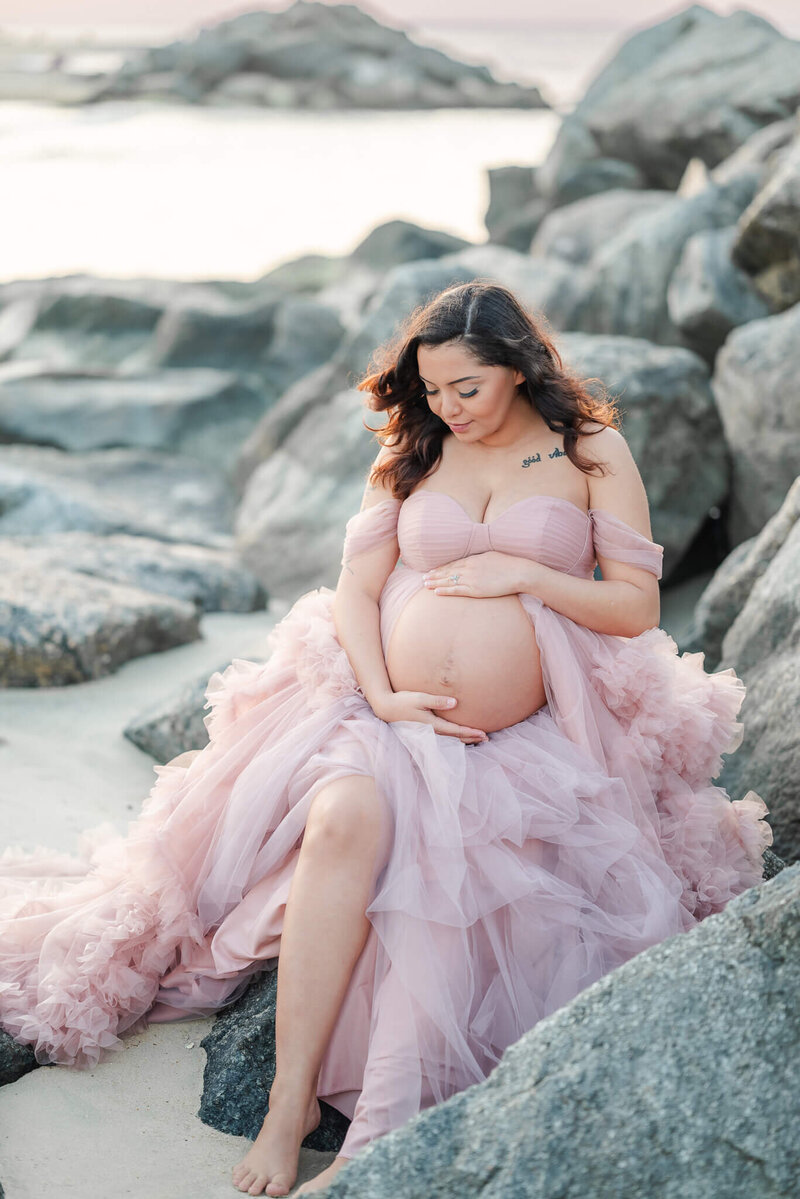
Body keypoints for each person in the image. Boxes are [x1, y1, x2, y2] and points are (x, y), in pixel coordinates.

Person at [0, 281, 773, 1197]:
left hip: (528, 732)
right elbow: (357, 591)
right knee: (344, 825)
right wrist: (386, 696)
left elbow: (635, 604)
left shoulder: (589, 448)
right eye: (434, 388)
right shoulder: (415, 448)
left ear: (521, 368)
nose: (448, 407)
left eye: (468, 389)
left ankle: (378, 1132)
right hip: (376, 712)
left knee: (450, 870)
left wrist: (524, 571)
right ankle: (289, 1107)